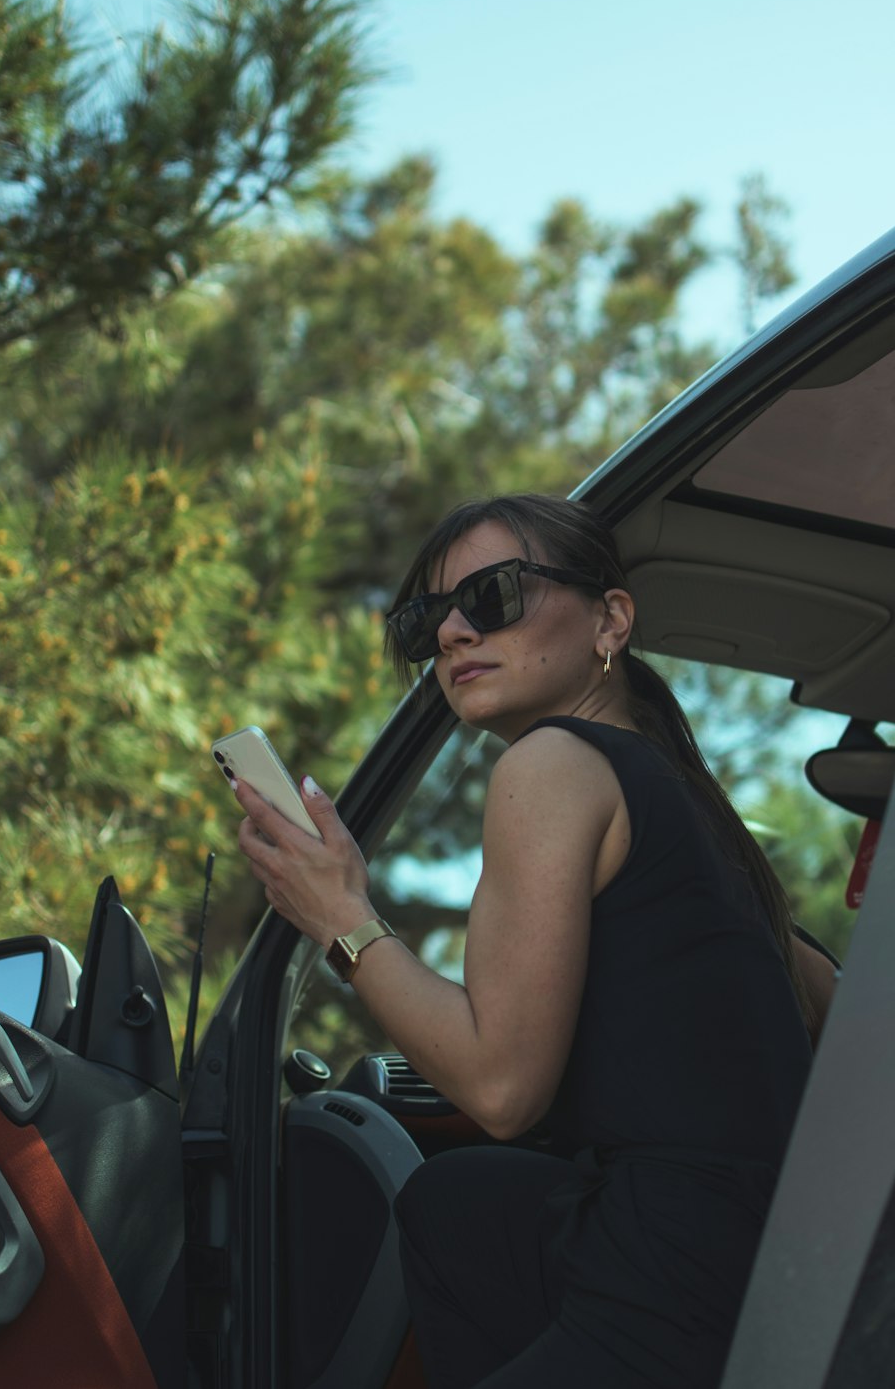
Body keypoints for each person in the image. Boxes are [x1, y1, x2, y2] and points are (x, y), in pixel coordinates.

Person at [234, 493, 836, 1389]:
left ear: (611, 619)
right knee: (454, 1201)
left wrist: (341, 918)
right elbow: (831, 1005)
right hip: (770, 1257)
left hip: (672, 1279)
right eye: (427, 618)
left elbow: (503, 1087)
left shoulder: (549, 766)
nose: (449, 635)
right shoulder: (699, 816)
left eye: (492, 596)